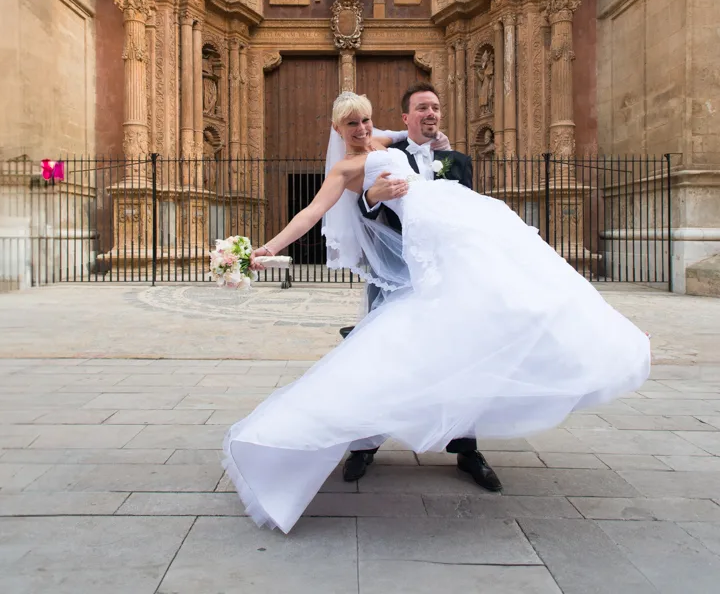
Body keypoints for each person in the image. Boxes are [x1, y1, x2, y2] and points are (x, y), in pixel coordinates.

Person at [223, 91, 650, 534]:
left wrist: (435, 137)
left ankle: (470, 438)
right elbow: (312, 212)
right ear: (337, 129)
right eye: (351, 124)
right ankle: (358, 441)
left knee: (493, 313)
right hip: (417, 251)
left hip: (453, 228)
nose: (362, 129)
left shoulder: (389, 143)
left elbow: (414, 133)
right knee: (389, 351)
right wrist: (271, 246)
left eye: (366, 120)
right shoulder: (346, 168)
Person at [340, 84, 499, 491]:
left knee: (457, 358)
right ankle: (364, 444)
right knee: (379, 358)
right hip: (395, 274)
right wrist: (373, 197)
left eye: (436, 108)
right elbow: (361, 206)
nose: (431, 113)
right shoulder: (383, 156)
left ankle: (466, 448)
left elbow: (466, 214)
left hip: (444, 276)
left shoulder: (457, 161)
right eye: (421, 108)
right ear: (405, 118)